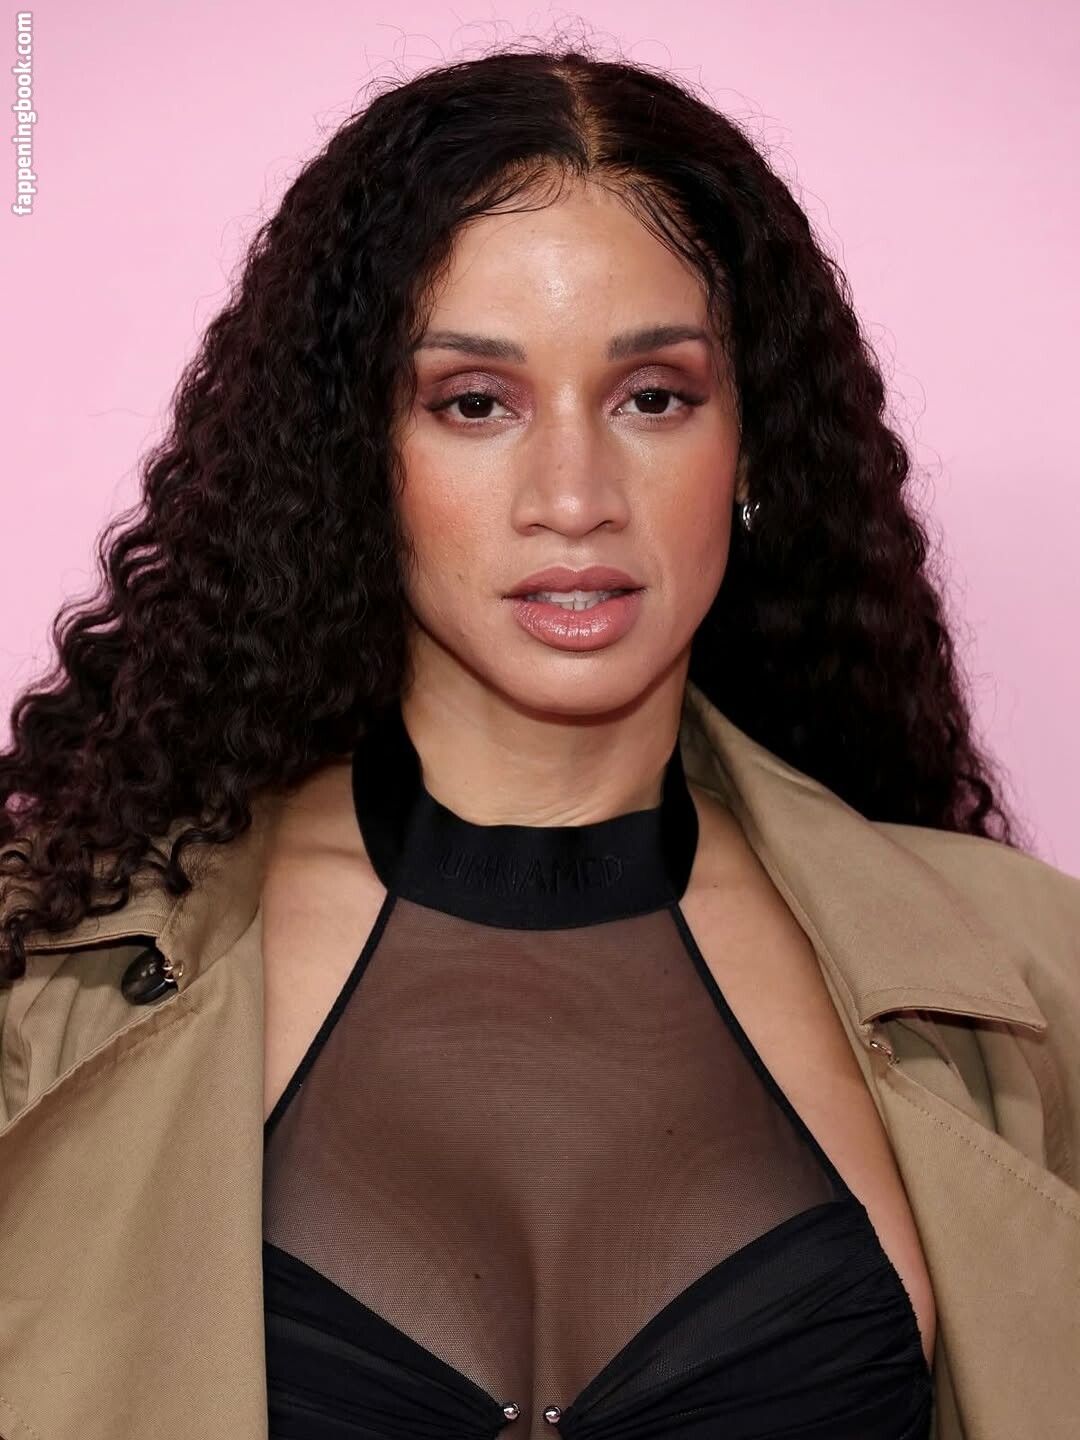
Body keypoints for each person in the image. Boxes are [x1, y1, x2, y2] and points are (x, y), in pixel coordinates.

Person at [1, 41, 1078, 1440]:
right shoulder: (40, 980)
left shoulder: (1035, 991)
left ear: (751, 449)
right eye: (475, 403)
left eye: (653, 398)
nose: (574, 497)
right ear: (356, 457)